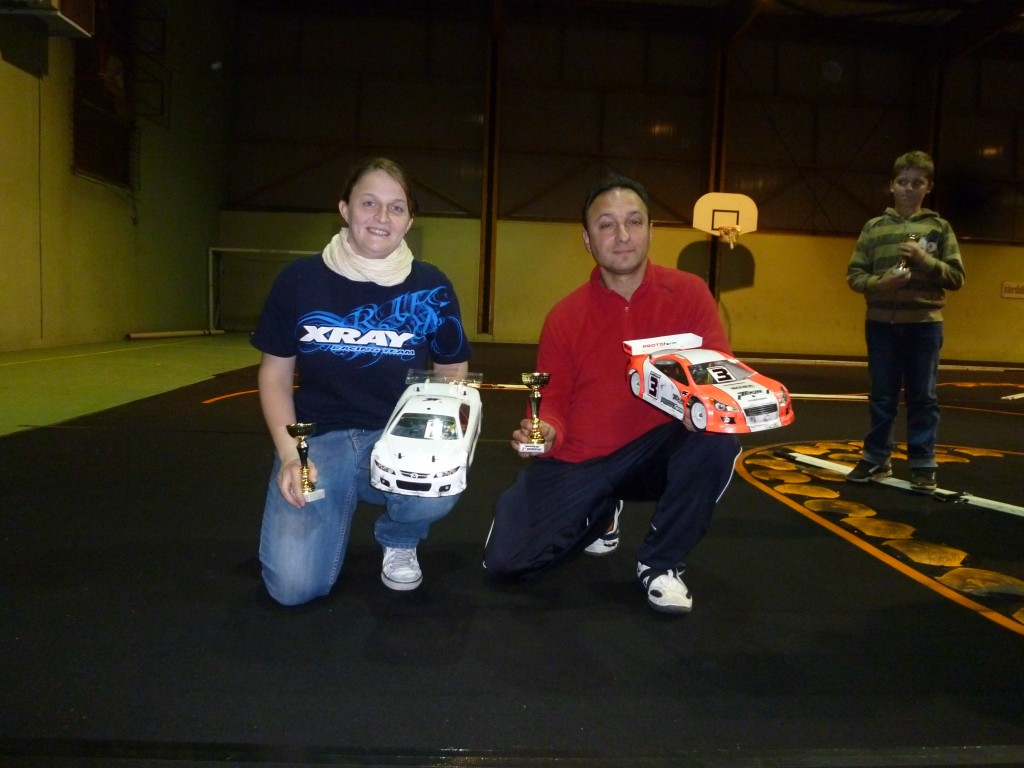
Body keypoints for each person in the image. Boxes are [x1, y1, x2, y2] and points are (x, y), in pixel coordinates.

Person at [483, 174, 742, 614]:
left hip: (657, 452)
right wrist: (547, 430)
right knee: (506, 563)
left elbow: (719, 376)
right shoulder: (564, 317)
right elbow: (553, 401)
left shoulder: (690, 294)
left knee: (716, 437)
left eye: (634, 222)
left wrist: (701, 404)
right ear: (587, 239)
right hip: (583, 460)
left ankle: (661, 563)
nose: (622, 235)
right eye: (606, 225)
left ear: (650, 231)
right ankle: (601, 511)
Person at [251, 157, 472, 605]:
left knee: (440, 483)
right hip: (319, 441)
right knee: (293, 589)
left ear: (409, 219)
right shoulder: (299, 280)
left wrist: (442, 440)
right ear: (345, 208)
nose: (381, 216)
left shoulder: (432, 286)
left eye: (396, 207)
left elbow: (451, 369)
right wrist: (291, 455)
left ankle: (400, 537)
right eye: (369, 203)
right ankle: (332, 502)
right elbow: (275, 373)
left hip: (397, 439)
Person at [845, 150, 965, 492]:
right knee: (882, 397)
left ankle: (923, 463)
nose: (909, 189)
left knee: (923, 398)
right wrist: (880, 284)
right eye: (903, 182)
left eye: (917, 183)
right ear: (892, 185)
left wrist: (926, 261)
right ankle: (876, 458)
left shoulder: (939, 229)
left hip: (924, 326)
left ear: (928, 187)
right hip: (880, 325)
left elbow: (956, 277)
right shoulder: (874, 228)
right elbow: (854, 276)